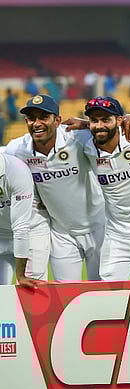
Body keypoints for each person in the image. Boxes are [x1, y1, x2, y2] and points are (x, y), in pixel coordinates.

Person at [5, 95, 106, 281]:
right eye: (31, 118)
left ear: (57, 120)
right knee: (64, 296)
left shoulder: (78, 138)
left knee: (103, 294)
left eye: (43, 117)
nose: (36, 123)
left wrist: (87, 123)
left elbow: (111, 129)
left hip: (99, 228)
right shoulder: (17, 149)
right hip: (62, 233)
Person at [81, 95, 130, 281]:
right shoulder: (86, 148)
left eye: (106, 119)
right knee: (109, 296)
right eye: (94, 120)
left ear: (119, 120)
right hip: (116, 236)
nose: (99, 126)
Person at [0, 153, 37, 287]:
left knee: (33, 289)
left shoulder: (16, 171)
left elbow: (21, 226)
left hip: (31, 232)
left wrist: (21, 276)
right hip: (1, 235)